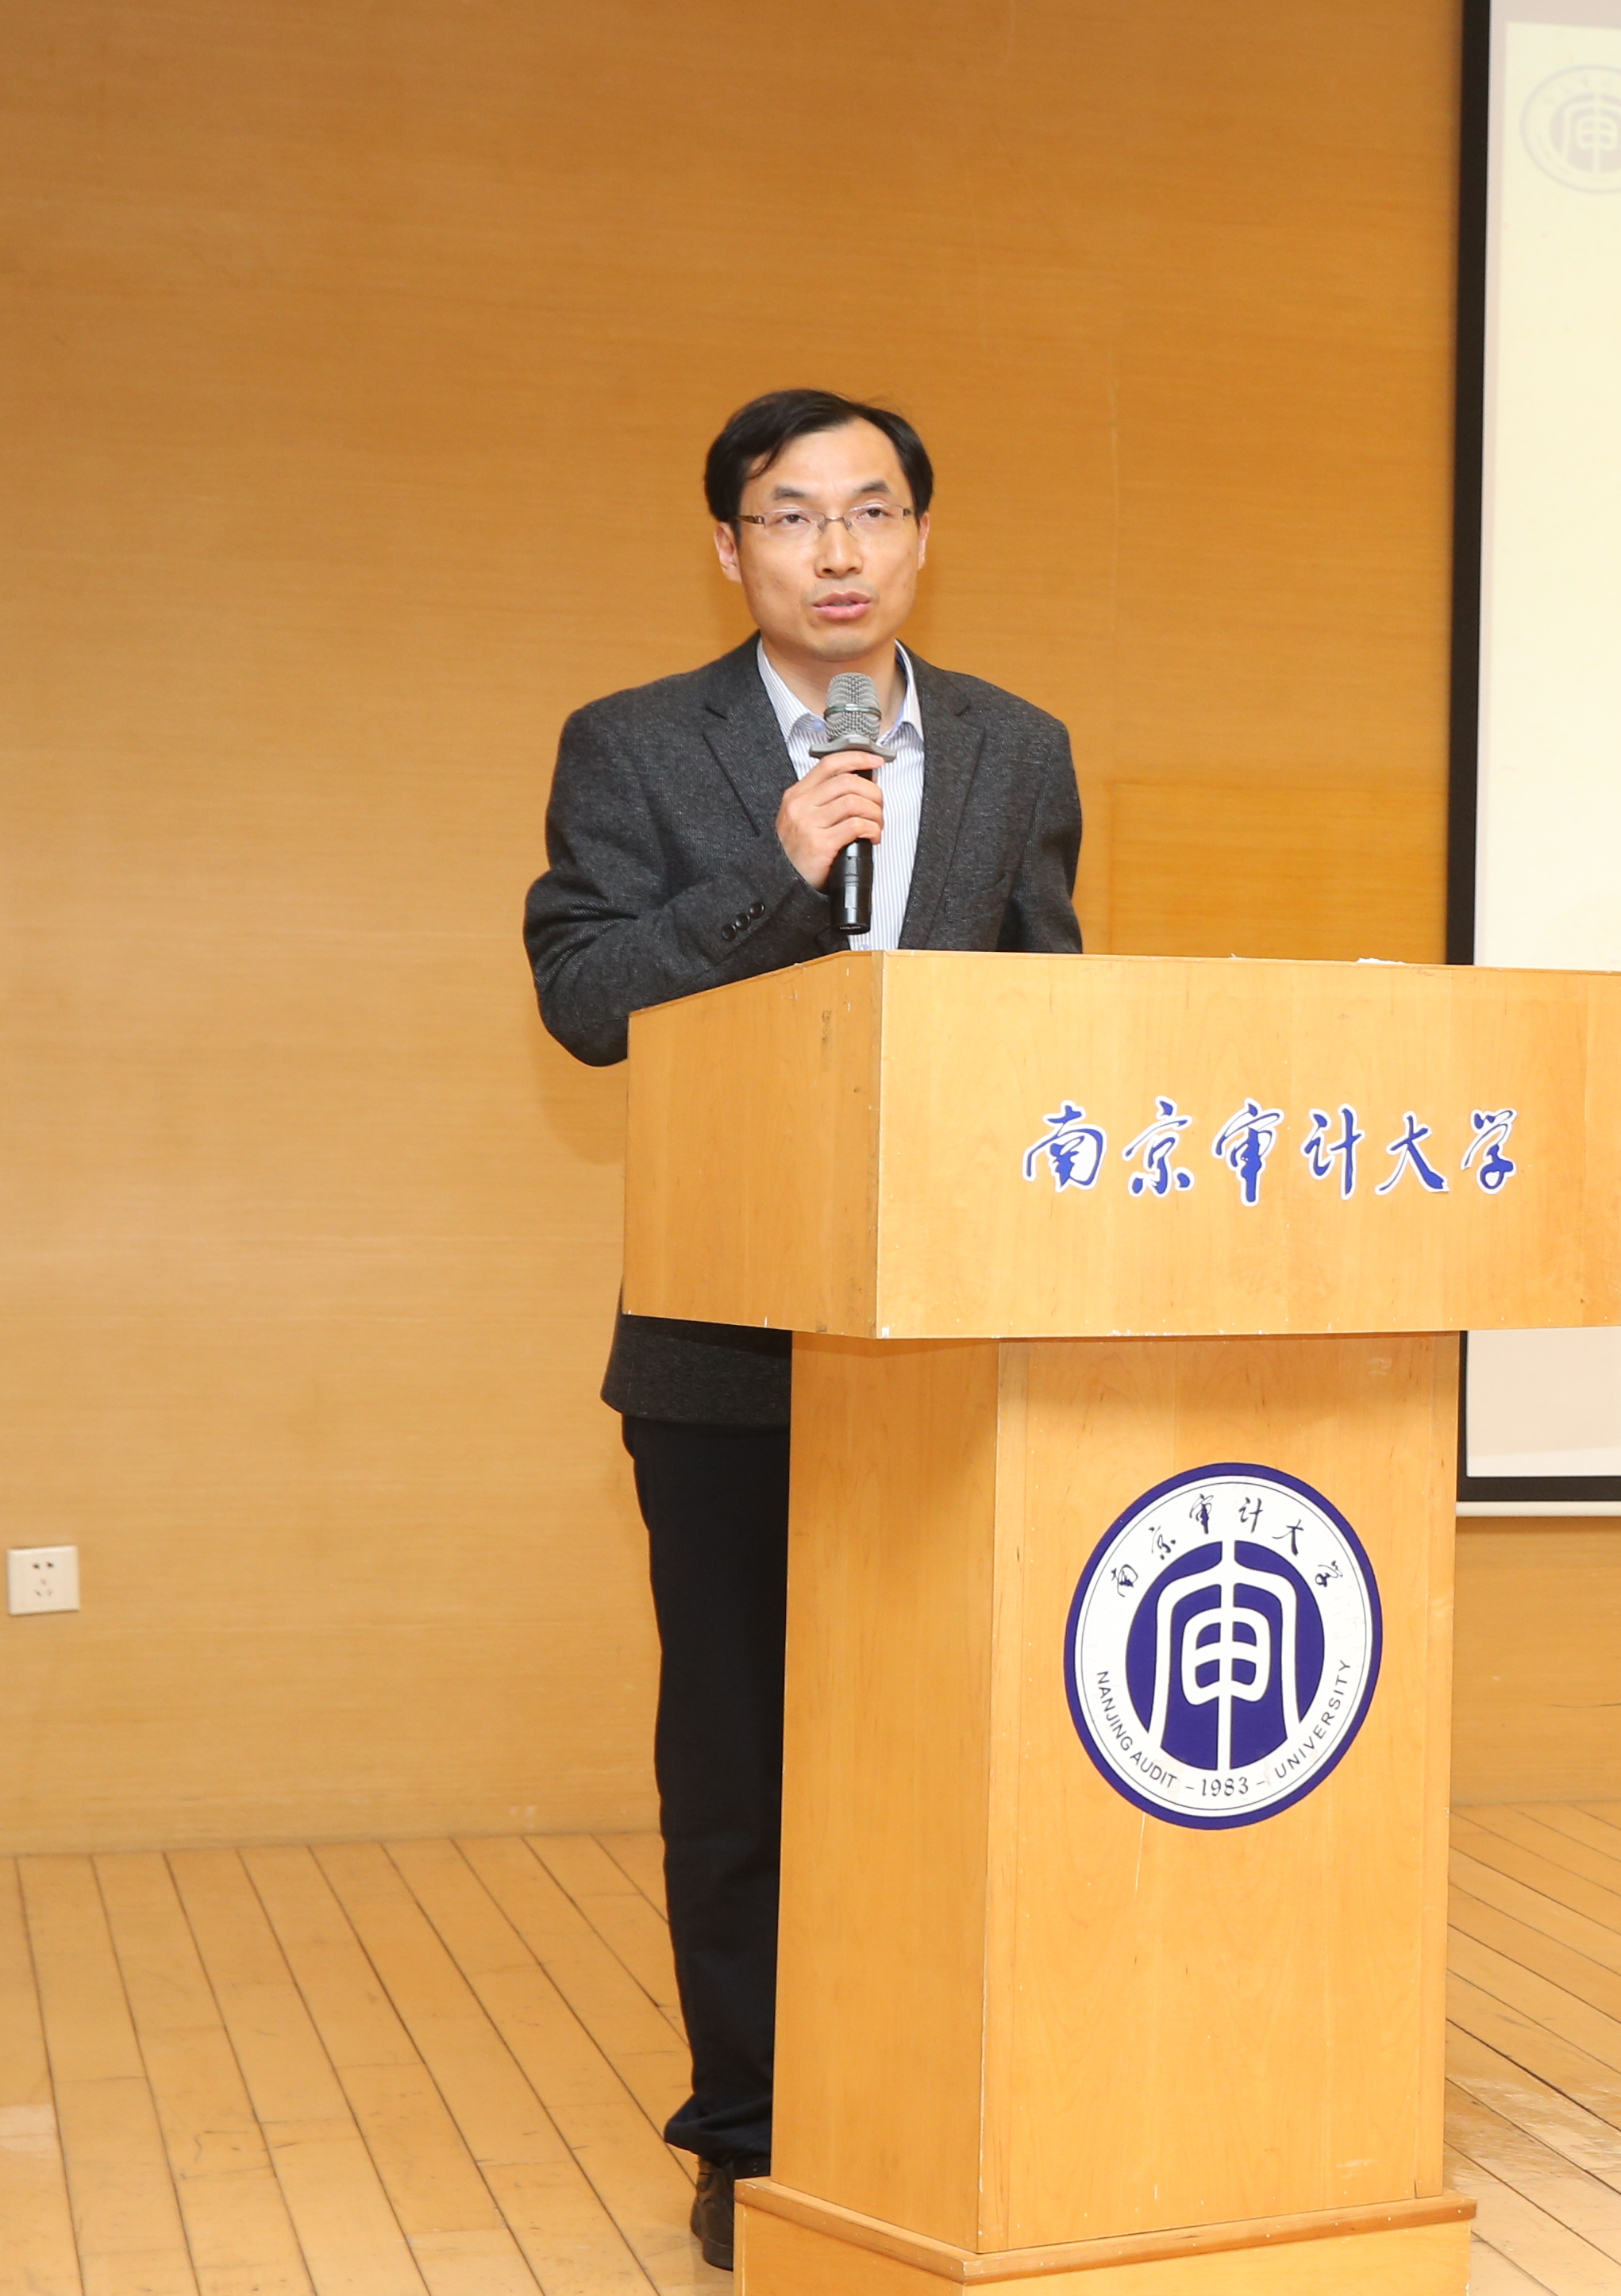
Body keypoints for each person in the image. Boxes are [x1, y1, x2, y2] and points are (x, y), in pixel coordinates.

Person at [523, 389, 1083, 2270]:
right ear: (730, 547)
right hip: (728, 1341)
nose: (838, 551)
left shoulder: (1015, 746)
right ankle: (751, 2133)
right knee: (743, 1768)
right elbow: (586, 997)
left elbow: (1046, 1011)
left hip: (956, 1340)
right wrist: (775, 876)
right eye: (792, 516)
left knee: (957, 1748)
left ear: (922, 533)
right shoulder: (634, 744)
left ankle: (941, 2100)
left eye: (873, 511)